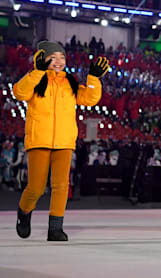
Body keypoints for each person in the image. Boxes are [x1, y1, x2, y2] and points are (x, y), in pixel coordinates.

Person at [14, 41, 109, 241]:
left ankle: (55, 228)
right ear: (42, 58)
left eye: (62, 57)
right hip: (39, 139)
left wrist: (93, 78)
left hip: (64, 141)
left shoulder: (70, 82)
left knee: (61, 186)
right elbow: (19, 92)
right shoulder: (35, 79)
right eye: (53, 57)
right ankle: (24, 212)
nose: (58, 61)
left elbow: (90, 99)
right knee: (36, 187)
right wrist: (37, 72)